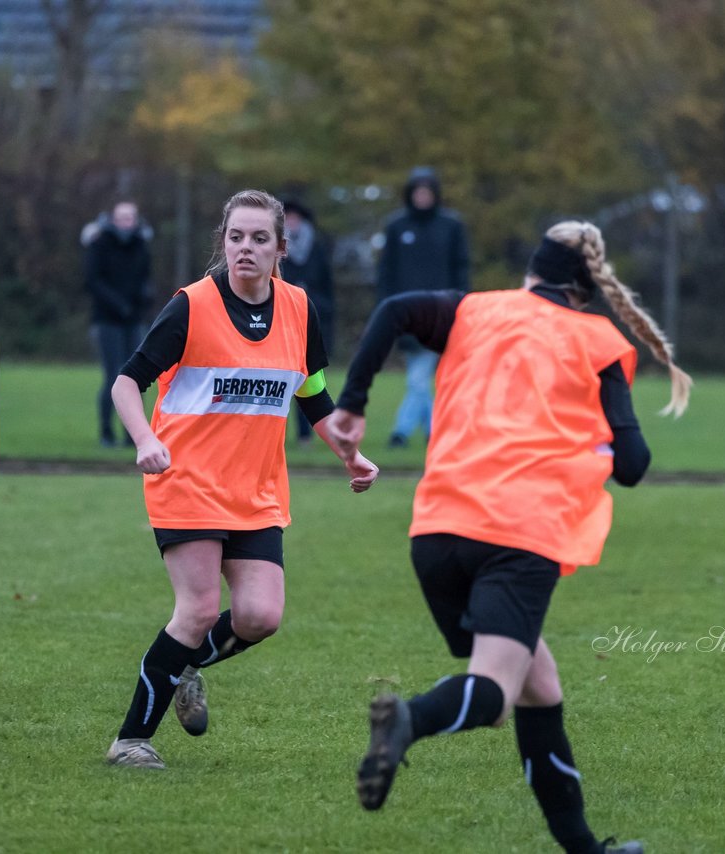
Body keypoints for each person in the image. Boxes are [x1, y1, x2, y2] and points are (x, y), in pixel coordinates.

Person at [329, 220, 692, 854]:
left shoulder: (474, 310)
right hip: (520, 533)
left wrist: (353, 402)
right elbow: (632, 467)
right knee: (495, 692)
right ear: (588, 288)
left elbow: (393, 310)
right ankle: (407, 720)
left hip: (436, 530)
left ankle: (586, 850)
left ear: (530, 271)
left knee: (537, 687)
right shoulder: (596, 338)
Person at [105, 189, 379, 770]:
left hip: (255, 491)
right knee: (200, 608)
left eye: (259, 239)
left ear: (282, 248)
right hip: (187, 481)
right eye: (236, 237)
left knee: (261, 617)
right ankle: (131, 740)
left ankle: (182, 667)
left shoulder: (299, 308)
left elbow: (311, 394)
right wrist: (145, 439)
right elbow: (126, 383)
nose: (245, 249)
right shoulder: (191, 307)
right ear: (222, 243)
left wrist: (349, 455)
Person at [375, 166, 469, 448]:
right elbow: (386, 272)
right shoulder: (397, 227)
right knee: (419, 376)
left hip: (442, 311)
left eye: (427, 192)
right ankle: (433, 430)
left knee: (419, 376)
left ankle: (401, 431)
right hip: (406, 313)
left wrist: (461, 303)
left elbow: (461, 269)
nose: (423, 197)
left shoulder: (451, 226)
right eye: (418, 192)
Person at [86, 200, 154, 448]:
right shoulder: (99, 245)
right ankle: (106, 432)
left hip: (134, 320)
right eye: (121, 217)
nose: (126, 222)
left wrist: (145, 297)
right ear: (113, 219)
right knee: (112, 375)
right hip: (107, 320)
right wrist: (118, 304)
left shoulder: (141, 245)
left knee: (135, 377)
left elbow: (145, 278)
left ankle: (132, 434)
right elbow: (93, 281)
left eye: (130, 217)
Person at [279, 198, 335, 446]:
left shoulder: (316, 247)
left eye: (295, 217)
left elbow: (327, 284)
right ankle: (274, 432)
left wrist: (318, 305)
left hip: (309, 316)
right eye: (287, 217)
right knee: (279, 379)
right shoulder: (274, 246)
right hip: (280, 316)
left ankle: (305, 433)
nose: (292, 222)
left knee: (307, 378)